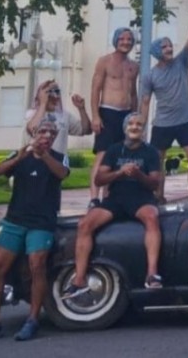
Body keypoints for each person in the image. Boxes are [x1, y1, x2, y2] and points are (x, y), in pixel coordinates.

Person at [0, 119, 69, 342]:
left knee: (37, 265)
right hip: (15, 220)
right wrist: (20, 156)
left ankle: (32, 320)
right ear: (33, 133)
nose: (47, 136)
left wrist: (44, 155)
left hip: (42, 222)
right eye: (42, 131)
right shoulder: (20, 154)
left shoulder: (58, 157)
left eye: (51, 133)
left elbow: (62, 174)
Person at [64, 112, 163, 297]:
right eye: (131, 124)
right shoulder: (114, 150)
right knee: (84, 224)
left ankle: (152, 274)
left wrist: (138, 174)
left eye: (139, 124)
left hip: (141, 198)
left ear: (143, 129)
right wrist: (119, 173)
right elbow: (99, 179)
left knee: (152, 217)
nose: (135, 127)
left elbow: (154, 184)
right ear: (125, 128)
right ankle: (79, 279)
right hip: (116, 198)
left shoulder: (151, 152)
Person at [140, 6, 188, 201]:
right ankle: (158, 196)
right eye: (164, 47)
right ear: (156, 52)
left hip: (186, 121)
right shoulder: (150, 76)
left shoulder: (181, 61)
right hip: (163, 124)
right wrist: (141, 127)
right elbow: (145, 103)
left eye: (170, 46)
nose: (169, 49)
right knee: (157, 162)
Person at [89, 27, 139, 205]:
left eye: (129, 39)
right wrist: (95, 116)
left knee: (117, 156)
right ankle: (94, 198)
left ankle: (108, 197)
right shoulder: (104, 61)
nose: (126, 42)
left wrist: (135, 116)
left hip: (125, 114)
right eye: (122, 39)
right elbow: (95, 89)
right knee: (103, 154)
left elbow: (133, 93)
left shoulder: (134, 66)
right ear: (116, 40)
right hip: (108, 111)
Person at [24, 79, 91, 157]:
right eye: (50, 93)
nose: (56, 97)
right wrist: (43, 104)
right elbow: (32, 129)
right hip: (36, 161)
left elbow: (86, 130)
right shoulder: (32, 114)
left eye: (57, 92)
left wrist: (81, 109)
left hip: (58, 162)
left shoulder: (65, 116)